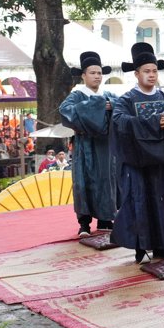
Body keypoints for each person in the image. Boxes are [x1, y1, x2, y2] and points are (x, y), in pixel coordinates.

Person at [110, 42, 164, 264]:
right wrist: (155, 122)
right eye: (146, 71)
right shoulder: (126, 100)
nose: (152, 75)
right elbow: (118, 121)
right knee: (138, 202)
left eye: (154, 71)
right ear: (136, 74)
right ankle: (140, 246)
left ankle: (161, 246)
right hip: (138, 163)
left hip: (163, 162)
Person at [59, 51, 118, 237]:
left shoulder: (109, 95)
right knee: (83, 182)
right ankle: (84, 223)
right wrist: (100, 106)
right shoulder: (76, 95)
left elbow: (123, 107)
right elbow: (65, 111)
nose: (97, 76)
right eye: (92, 73)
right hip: (84, 146)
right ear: (83, 75)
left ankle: (106, 219)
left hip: (105, 146)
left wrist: (110, 105)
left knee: (107, 180)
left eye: (100, 73)